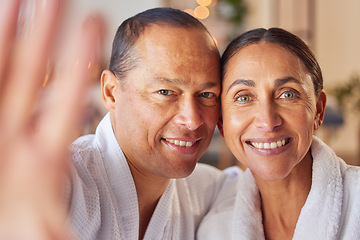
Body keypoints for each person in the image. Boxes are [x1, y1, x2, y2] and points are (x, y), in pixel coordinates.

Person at [0, 0, 241, 239]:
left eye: (207, 95)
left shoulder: (209, 192)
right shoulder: (62, 184)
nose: (192, 120)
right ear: (111, 92)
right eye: (165, 92)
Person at [197, 28, 360, 240]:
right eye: (244, 97)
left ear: (318, 110)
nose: (267, 121)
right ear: (221, 122)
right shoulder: (215, 230)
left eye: (288, 94)